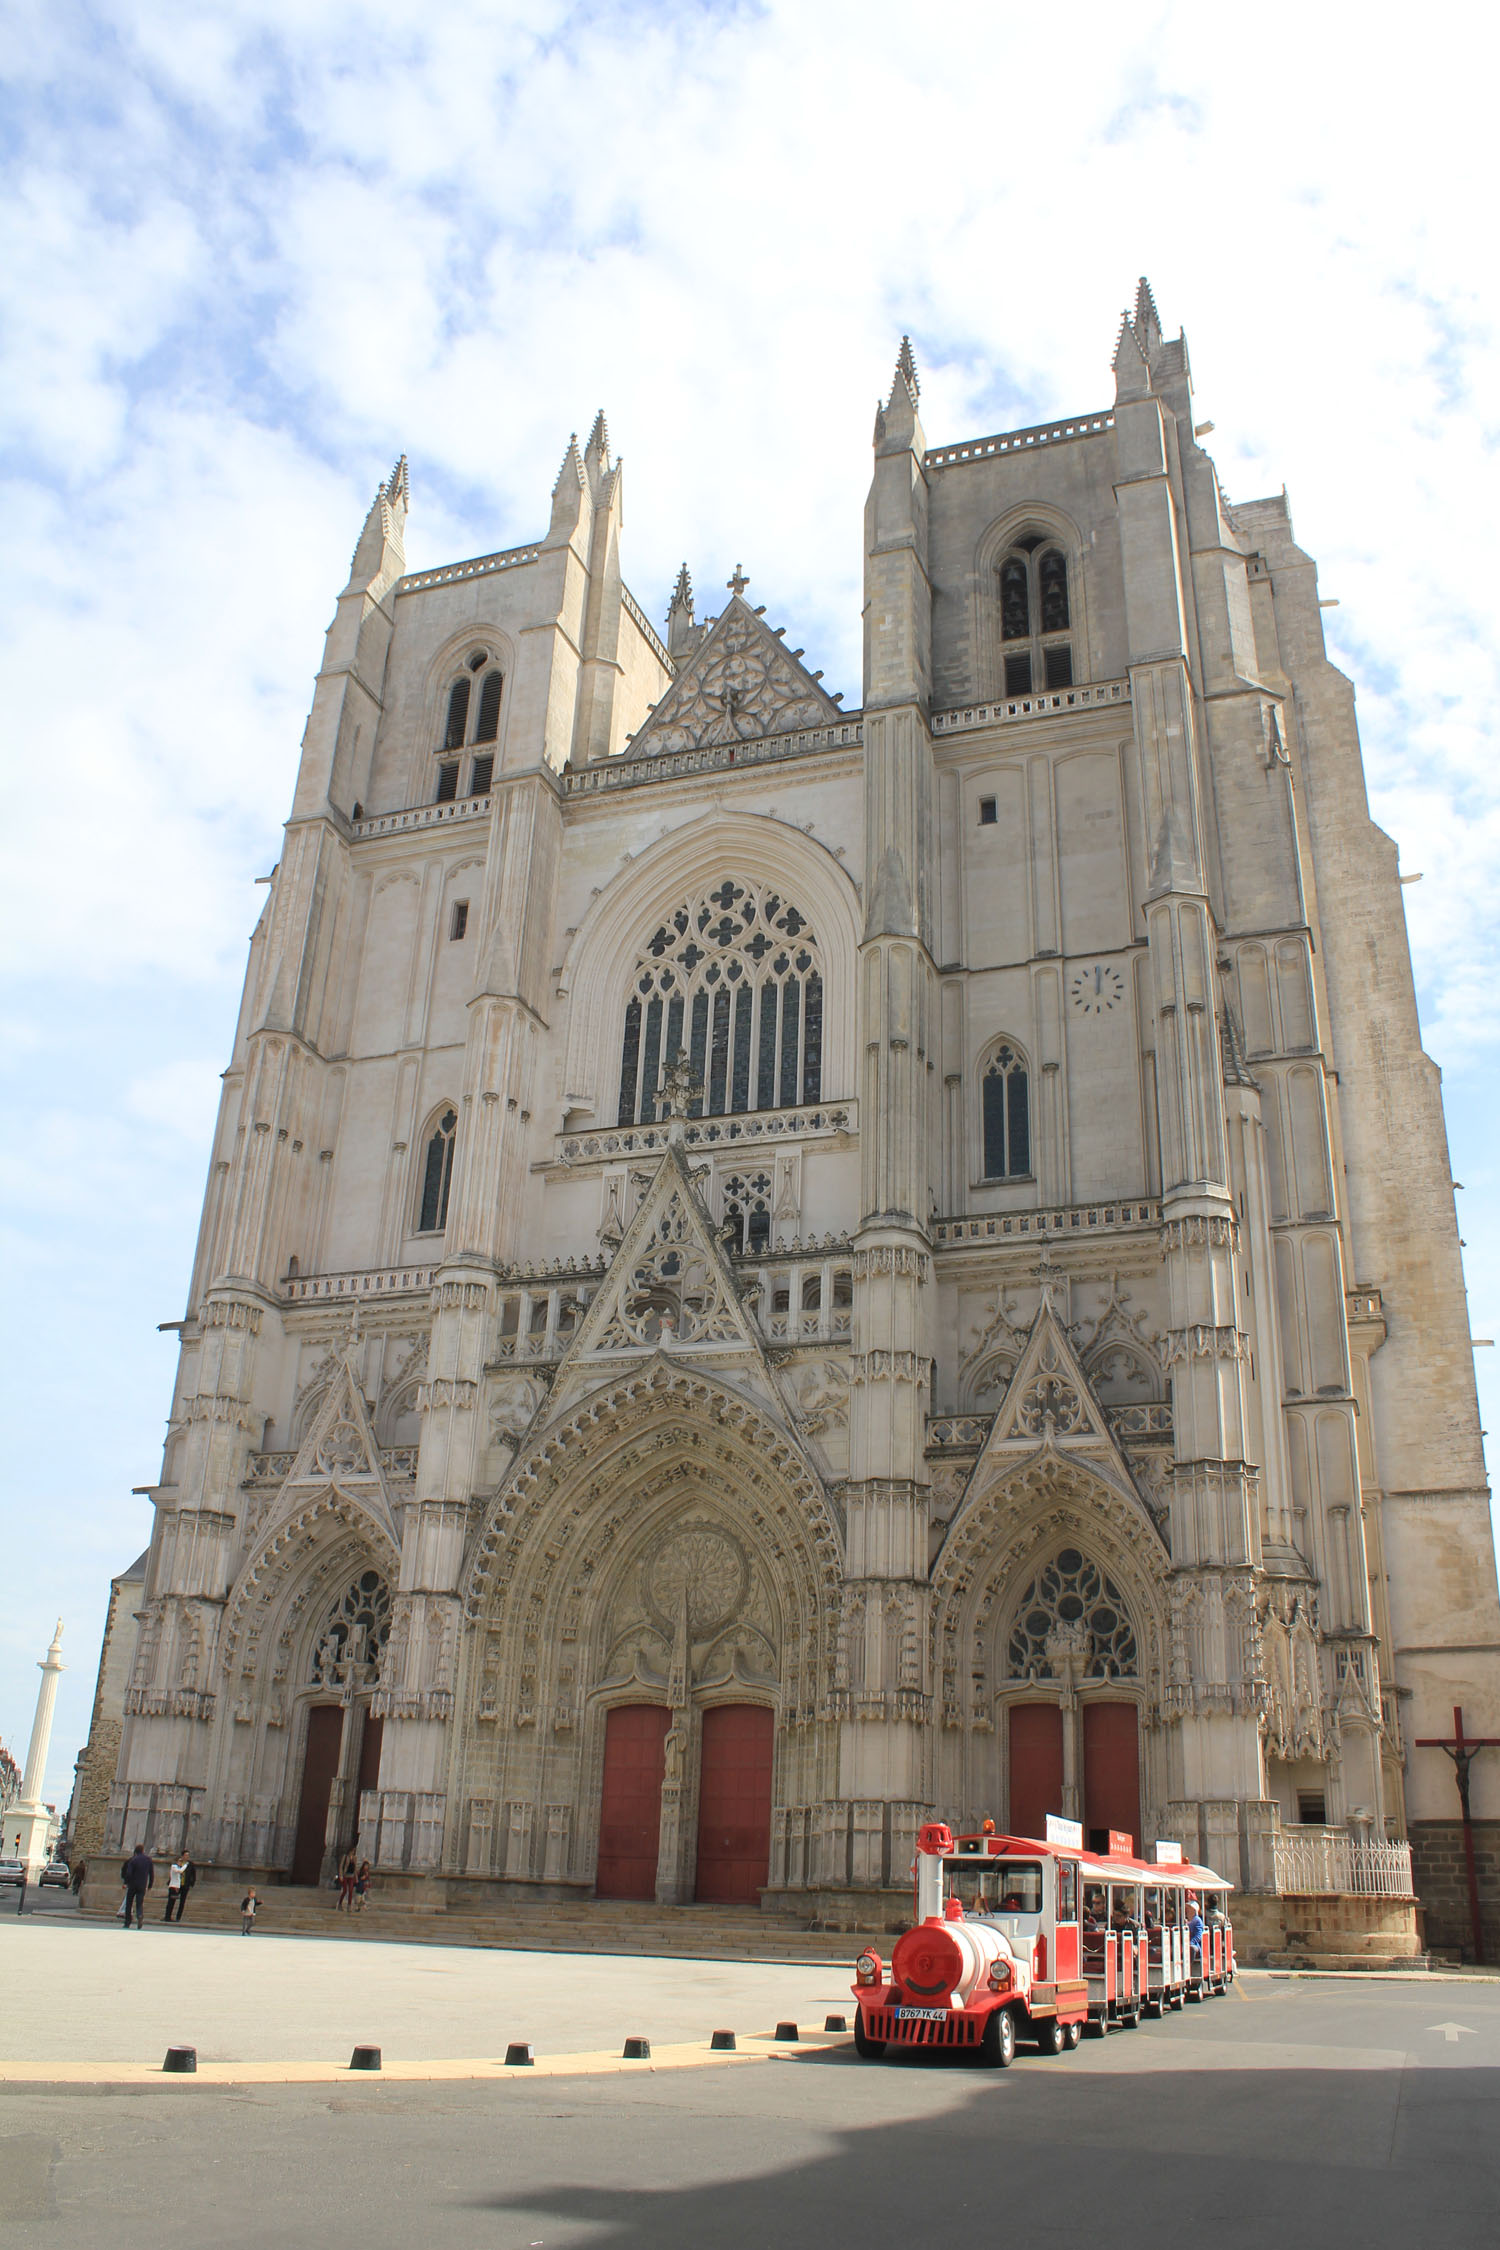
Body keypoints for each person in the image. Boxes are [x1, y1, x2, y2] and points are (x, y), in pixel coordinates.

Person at [121, 1844, 154, 1930]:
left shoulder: (133, 1860)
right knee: (139, 1903)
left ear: (135, 1851)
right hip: (142, 1885)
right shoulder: (148, 1860)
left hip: (132, 1884)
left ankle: (127, 1922)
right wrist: (150, 1884)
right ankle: (139, 1915)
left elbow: (128, 1873)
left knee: (129, 1903)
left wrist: (126, 1882)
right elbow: (151, 1873)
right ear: (143, 1851)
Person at [164, 1854, 188, 1922]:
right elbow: (179, 1871)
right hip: (173, 1887)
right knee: (170, 1902)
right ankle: (167, 1916)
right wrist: (185, 1865)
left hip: (176, 1887)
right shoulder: (174, 1866)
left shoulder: (178, 1867)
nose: (180, 1862)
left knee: (173, 1902)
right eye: (180, 1861)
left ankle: (168, 1916)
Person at [337, 1848, 357, 1913]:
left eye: (354, 1851)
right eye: (352, 1851)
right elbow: (341, 1866)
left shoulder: (354, 1858)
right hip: (345, 1875)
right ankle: (340, 1904)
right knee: (345, 1891)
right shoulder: (345, 1857)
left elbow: (355, 1868)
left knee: (351, 1891)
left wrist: (356, 1878)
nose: (353, 1852)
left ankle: (349, 1906)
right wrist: (341, 1875)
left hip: (351, 1876)